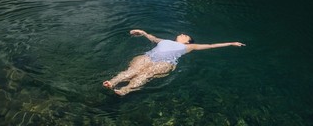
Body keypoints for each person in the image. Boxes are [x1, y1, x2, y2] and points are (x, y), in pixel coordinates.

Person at [102, 29, 245, 96]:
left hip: (165, 62)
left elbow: (211, 45)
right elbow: (153, 38)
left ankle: (126, 89)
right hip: (149, 57)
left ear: (188, 41)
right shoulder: (164, 41)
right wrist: (143, 33)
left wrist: (231, 43)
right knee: (132, 71)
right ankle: (112, 82)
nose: (182, 34)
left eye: (185, 35)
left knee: (144, 75)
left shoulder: (189, 47)